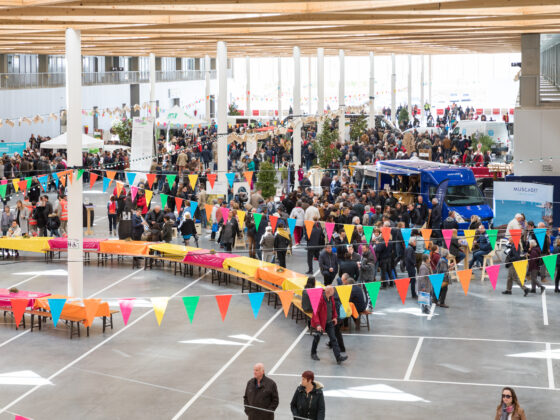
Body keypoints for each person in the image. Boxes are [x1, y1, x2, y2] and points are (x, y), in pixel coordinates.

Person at [310, 286, 347, 364]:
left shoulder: (331, 297)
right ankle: (313, 353)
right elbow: (315, 313)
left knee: (333, 339)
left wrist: (335, 317)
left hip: (329, 322)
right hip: (320, 323)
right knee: (317, 337)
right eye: (333, 290)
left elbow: (333, 309)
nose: (334, 292)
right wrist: (318, 325)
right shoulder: (320, 299)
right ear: (328, 292)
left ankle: (338, 357)